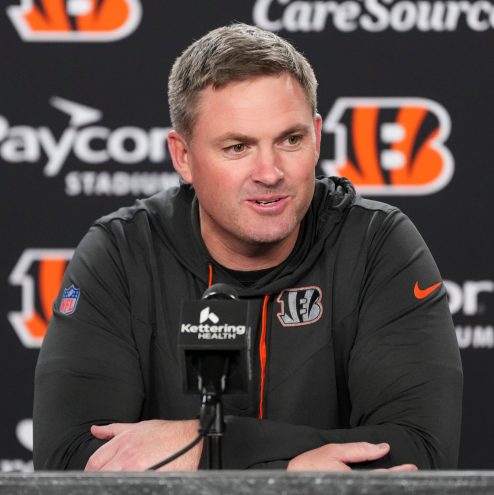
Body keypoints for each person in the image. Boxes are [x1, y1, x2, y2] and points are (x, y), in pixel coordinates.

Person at [33, 23, 462, 472]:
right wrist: (295, 473)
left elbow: (421, 452)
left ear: (316, 136)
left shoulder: (377, 244)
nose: (270, 172)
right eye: (238, 147)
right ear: (183, 157)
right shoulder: (122, 253)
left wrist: (205, 444)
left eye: (291, 140)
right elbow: (69, 461)